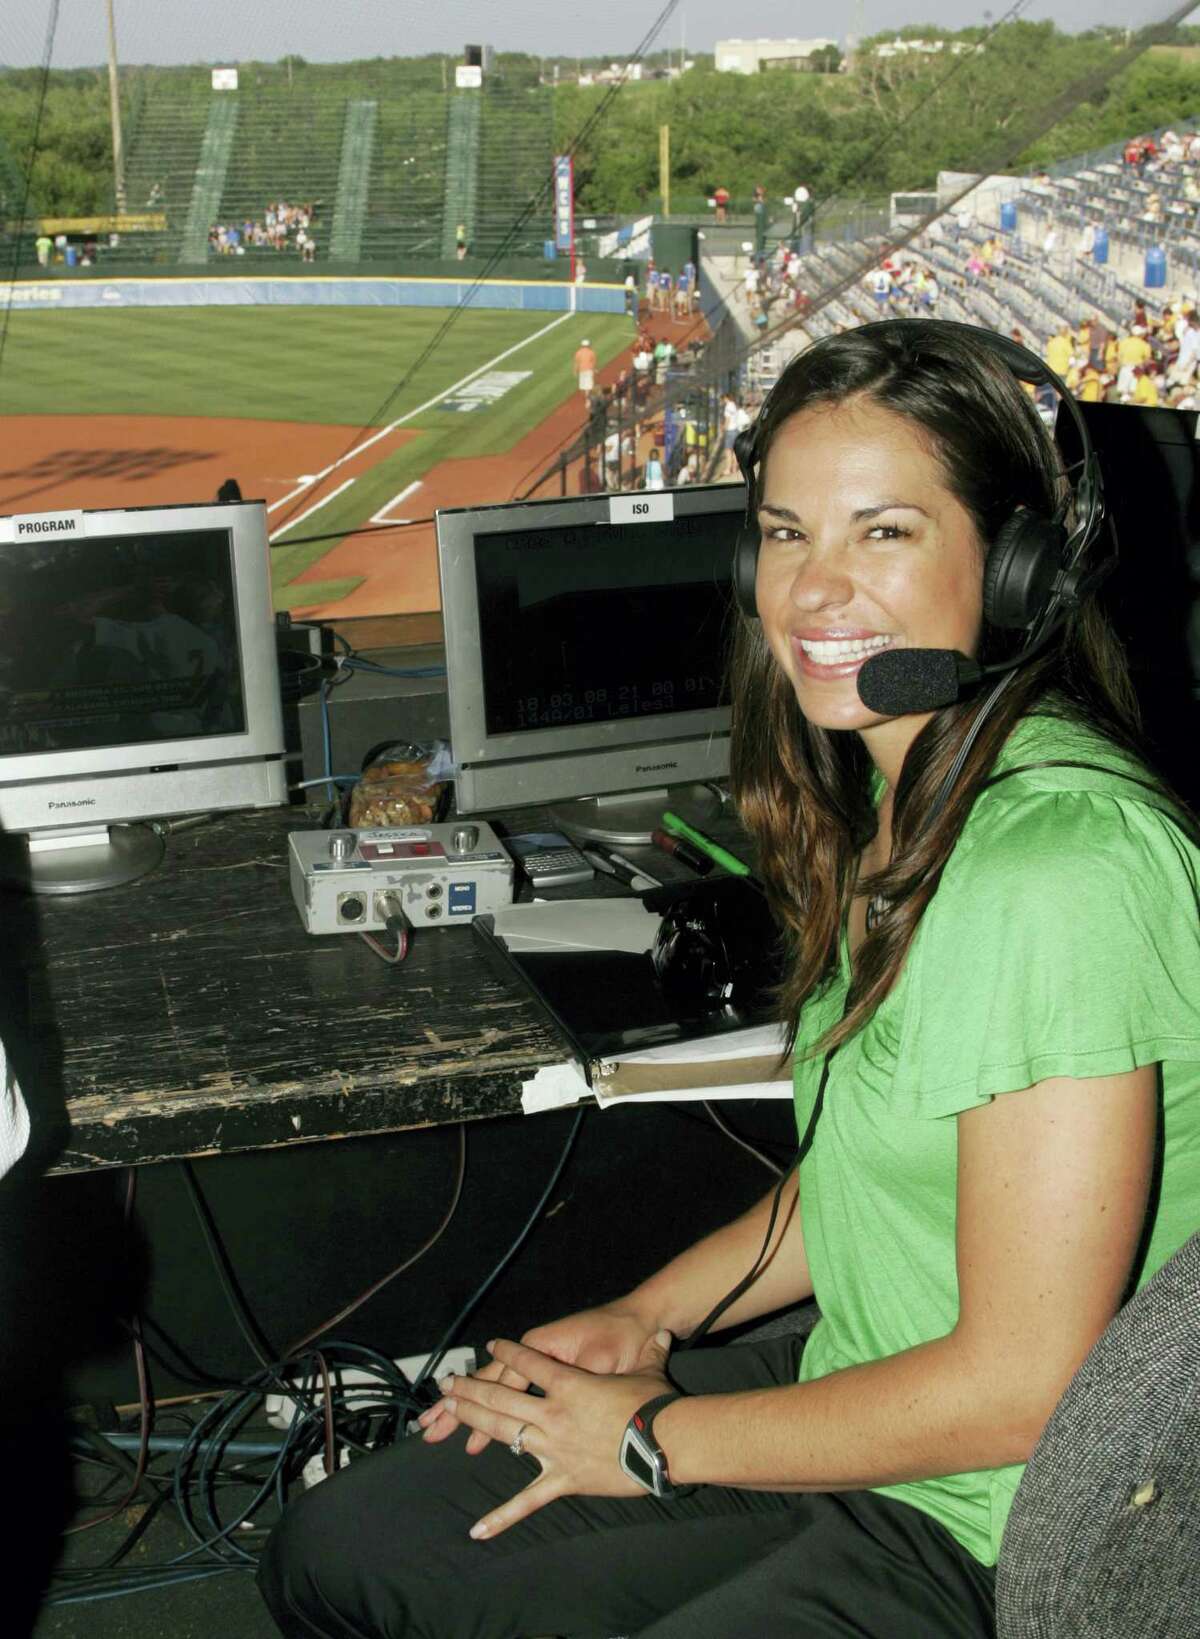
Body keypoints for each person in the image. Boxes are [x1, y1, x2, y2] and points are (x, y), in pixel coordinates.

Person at [257, 321, 1200, 1639]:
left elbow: (1024, 1384)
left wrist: (656, 1435)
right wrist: (652, 1313)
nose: (812, 592)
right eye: (786, 530)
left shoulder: (1056, 868)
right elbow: (881, 1158)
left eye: (884, 533)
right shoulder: (910, 800)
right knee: (347, 1543)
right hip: (858, 1394)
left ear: (1016, 570)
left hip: (996, 1512)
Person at [572, 336, 597, 403]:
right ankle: (588, 399)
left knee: (584, 386)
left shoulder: (578, 352)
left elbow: (576, 362)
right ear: (588, 345)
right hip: (589, 370)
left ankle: (587, 398)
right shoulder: (591, 352)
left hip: (582, 371)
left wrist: (575, 371)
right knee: (588, 387)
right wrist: (594, 369)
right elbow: (593, 362)